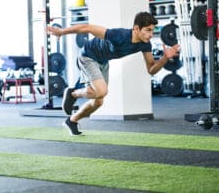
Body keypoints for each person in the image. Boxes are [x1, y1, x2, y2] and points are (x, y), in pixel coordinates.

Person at [47, 12, 180, 135]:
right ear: (136, 29)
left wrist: (165, 58)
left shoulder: (145, 44)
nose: (151, 35)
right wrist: (61, 32)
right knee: (101, 91)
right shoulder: (119, 35)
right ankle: (72, 93)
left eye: (153, 30)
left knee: (98, 102)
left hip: (103, 61)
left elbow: (151, 70)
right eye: (148, 30)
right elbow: (88, 28)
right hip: (88, 56)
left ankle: (72, 121)